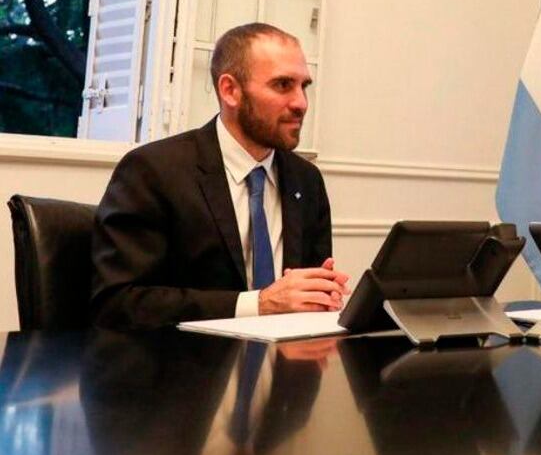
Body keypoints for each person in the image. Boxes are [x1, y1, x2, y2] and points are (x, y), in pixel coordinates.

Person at [92, 23, 349, 328]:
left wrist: (321, 295)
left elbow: (304, 298)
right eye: (282, 85)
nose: (301, 103)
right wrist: (259, 304)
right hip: (183, 366)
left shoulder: (306, 180)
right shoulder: (153, 171)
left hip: (285, 366)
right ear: (230, 90)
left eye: (303, 86)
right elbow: (118, 303)